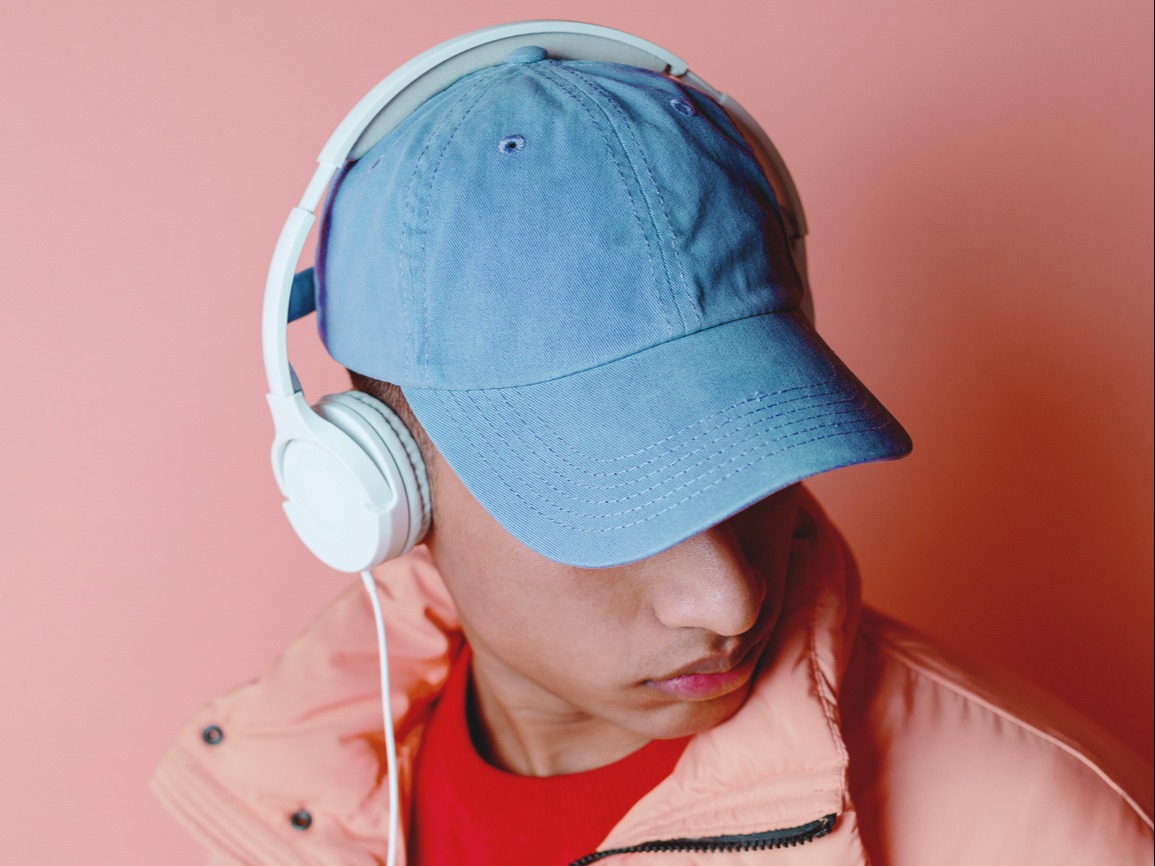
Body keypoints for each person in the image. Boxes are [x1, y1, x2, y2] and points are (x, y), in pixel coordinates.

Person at [152, 22, 1153, 866]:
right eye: (616, 499)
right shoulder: (289, 796)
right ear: (383, 481)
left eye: (753, 462)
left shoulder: (1053, 826)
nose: (732, 599)